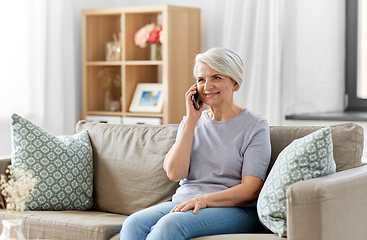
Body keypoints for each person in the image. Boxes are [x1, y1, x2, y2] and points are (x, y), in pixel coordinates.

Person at [119, 47, 271, 240]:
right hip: (186, 202)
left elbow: (251, 189)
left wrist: (204, 200)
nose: (207, 86)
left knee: (169, 225)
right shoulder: (191, 121)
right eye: (201, 79)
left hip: (234, 209)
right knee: (133, 224)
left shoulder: (255, 126)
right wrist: (191, 120)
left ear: (235, 83)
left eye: (216, 77)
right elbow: (175, 173)